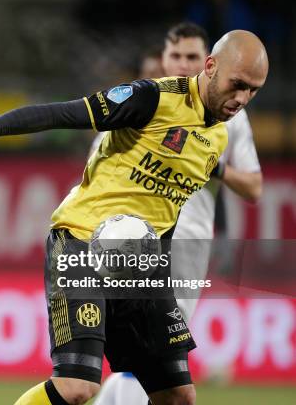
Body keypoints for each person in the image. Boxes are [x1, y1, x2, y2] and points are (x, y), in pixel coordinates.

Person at [0, 30, 268, 405]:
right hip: (82, 244)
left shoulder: (219, 137)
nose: (242, 98)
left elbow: (167, 210)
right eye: (237, 84)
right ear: (211, 66)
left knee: (178, 396)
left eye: (253, 90)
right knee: (77, 388)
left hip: (143, 264)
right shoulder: (153, 98)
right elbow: (61, 113)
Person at [92, 22, 263, 405]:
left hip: (186, 244)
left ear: (210, 63)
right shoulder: (139, 105)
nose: (183, 64)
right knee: (150, 363)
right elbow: (96, 175)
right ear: (162, 59)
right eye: (176, 56)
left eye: (191, 57)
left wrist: (211, 165)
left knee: (149, 365)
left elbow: (254, 187)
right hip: (129, 241)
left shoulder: (230, 116)